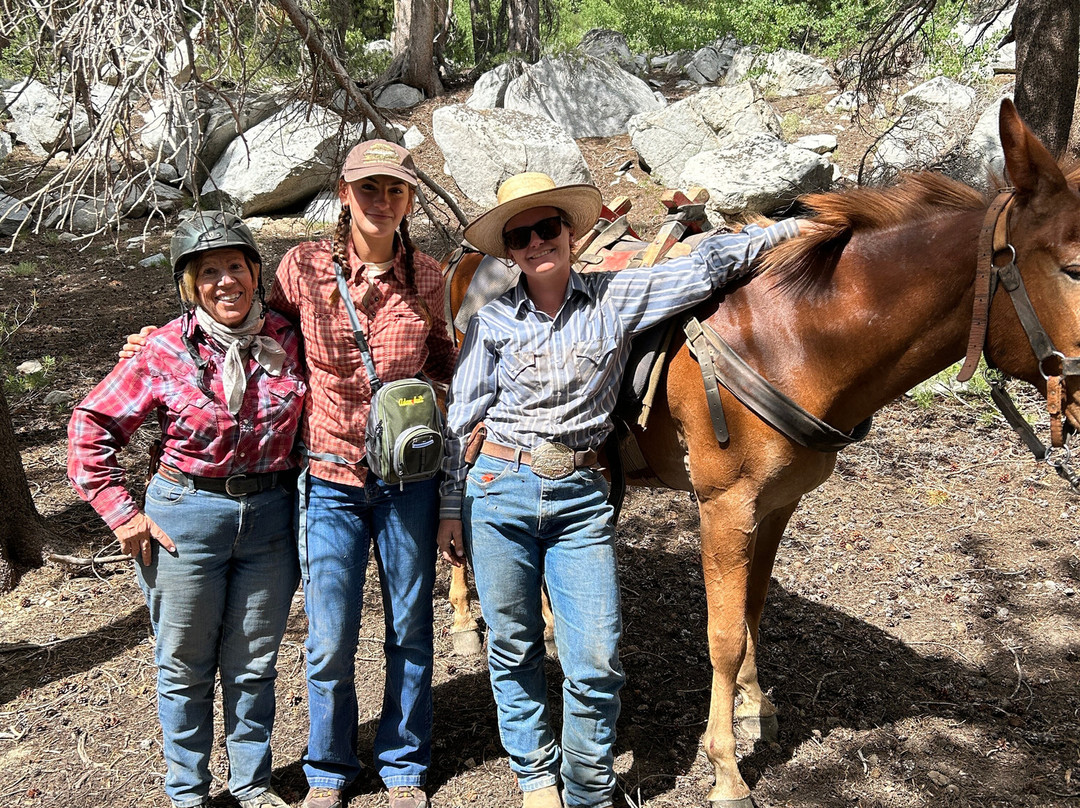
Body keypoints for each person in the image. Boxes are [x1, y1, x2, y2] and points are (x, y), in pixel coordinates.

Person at [436, 173, 804, 808]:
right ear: (510, 251)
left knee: (598, 655)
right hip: (499, 487)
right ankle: (535, 778)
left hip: (580, 491)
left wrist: (797, 228)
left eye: (547, 228)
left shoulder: (617, 297)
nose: (536, 243)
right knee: (514, 643)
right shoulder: (494, 319)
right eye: (520, 236)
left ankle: (586, 783)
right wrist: (449, 506)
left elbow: (711, 265)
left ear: (571, 234)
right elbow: (460, 416)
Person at [122, 139, 456, 808]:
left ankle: (404, 765)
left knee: (410, 628)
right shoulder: (302, 267)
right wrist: (161, 338)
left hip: (407, 486)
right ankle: (329, 769)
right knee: (329, 637)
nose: (381, 201)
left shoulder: (429, 277)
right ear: (343, 193)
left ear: (409, 199)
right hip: (328, 481)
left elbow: (447, 363)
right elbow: (250, 326)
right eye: (369, 188)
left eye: (394, 189)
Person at [68, 211, 306, 808]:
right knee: (184, 665)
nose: (225, 282)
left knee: (254, 664)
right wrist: (123, 513)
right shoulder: (163, 349)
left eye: (235, 266)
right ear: (189, 285)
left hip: (271, 517)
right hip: (187, 517)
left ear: (256, 272)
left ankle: (251, 786)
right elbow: (91, 425)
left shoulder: (289, 337)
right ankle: (188, 793)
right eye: (208, 273)